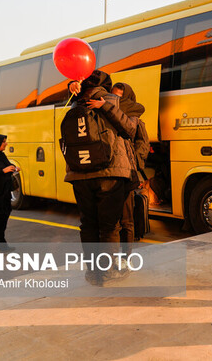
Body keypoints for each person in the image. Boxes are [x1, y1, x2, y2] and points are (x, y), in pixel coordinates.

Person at [66, 70, 138, 285]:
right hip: (110, 172)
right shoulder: (114, 100)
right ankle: (106, 273)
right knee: (109, 227)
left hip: (79, 174)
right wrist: (107, 106)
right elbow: (130, 130)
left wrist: (71, 86)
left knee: (88, 225)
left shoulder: (74, 104)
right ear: (107, 85)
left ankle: (92, 272)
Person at [110, 82, 148, 250]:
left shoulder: (135, 119)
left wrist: (135, 163)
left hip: (128, 172)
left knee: (126, 219)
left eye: (120, 96)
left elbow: (143, 144)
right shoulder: (109, 116)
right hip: (112, 171)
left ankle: (126, 256)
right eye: (114, 96)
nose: (116, 100)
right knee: (113, 220)